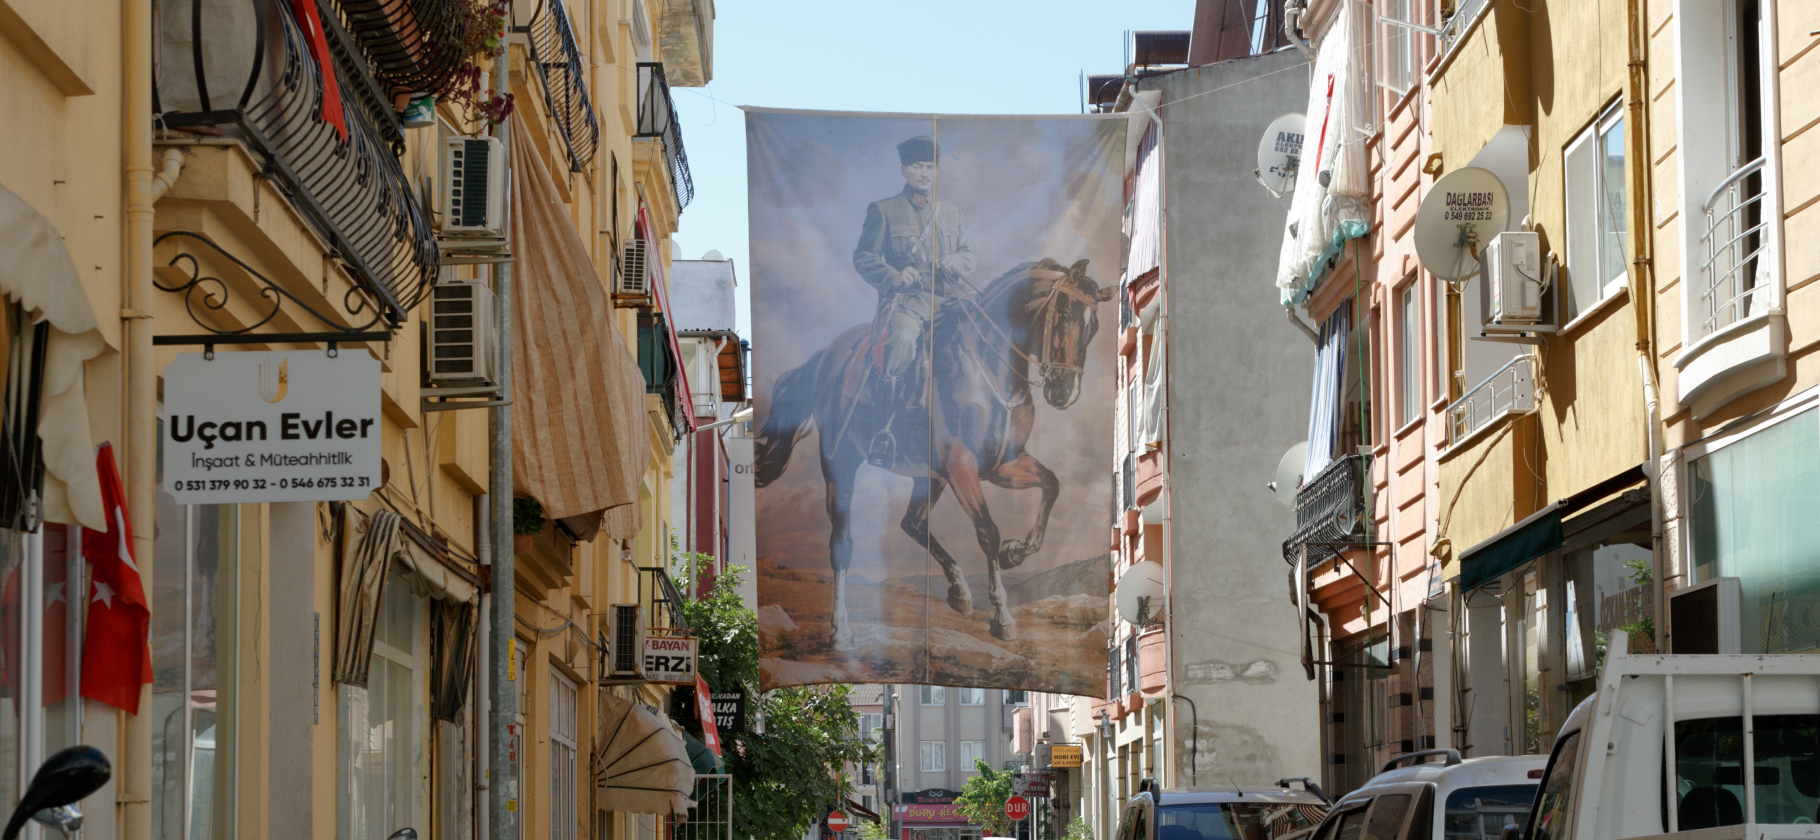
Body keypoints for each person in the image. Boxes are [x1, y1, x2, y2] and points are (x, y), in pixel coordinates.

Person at [852, 135, 976, 466]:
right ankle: (886, 429)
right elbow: (863, 256)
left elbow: (967, 252)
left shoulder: (952, 213)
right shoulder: (884, 210)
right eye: (917, 167)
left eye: (930, 167)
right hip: (907, 301)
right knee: (903, 341)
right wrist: (893, 274)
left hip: (949, 298)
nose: (924, 173)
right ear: (905, 170)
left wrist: (957, 262)